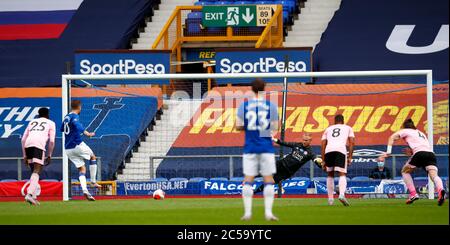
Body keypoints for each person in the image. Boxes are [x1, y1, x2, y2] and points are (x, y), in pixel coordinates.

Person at [236, 79, 279, 221]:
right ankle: (268, 213)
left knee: (248, 179)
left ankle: (247, 213)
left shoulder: (244, 106)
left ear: (251, 89)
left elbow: (238, 126)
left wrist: (248, 127)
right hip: (266, 147)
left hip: (250, 147)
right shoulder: (270, 106)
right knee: (268, 179)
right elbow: (275, 126)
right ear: (264, 88)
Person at [378, 118, 446, 206]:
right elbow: (421, 146)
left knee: (405, 171)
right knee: (434, 175)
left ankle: (413, 194)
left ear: (404, 126)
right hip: (431, 154)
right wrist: (411, 152)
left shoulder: (405, 130)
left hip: (419, 153)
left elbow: (392, 137)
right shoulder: (420, 133)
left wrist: (388, 152)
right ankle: (441, 190)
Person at [254, 133, 323, 194]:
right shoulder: (297, 145)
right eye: (303, 140)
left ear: (310, 141)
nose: (304, 142)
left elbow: (315, 159)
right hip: (281, 163)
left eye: (306, 140)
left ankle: (254, 192)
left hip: (287, 172)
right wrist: (275, 140)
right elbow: (285, 143)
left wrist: (319, 163)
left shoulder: (310, 153)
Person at [61, 100, 100, 201]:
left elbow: (62, 129)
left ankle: (85, 190)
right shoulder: (75, 116)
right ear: (79, 107)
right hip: (77, 144)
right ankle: (92, 181)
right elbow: (77, 126)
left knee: (82, 170)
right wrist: (88, 134)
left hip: (68, 149)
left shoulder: (66, 117)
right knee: (93, 157)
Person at [21, 107, 56, 205]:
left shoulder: (32, 122)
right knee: (37, 170)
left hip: (28, 144)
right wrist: (49, 155)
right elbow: (52, 141)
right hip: (39, 145)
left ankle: (34, 197)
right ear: (47, 115)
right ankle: (30, 194)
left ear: (38, 114)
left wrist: (24, 156)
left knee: (34, 171)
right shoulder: (51, 123)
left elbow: (23, 139)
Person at [321, 114, 355, 206]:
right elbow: (351, 142)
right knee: (342, 173)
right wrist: (350, 156)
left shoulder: (328, 129)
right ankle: (341, 195)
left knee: (330, 174)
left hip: (329, 150)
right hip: (340, 150)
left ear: (334, 121)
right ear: (343, 121)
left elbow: (323, 144)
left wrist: (323, 160)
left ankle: (330, 199)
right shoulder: (348, 128)